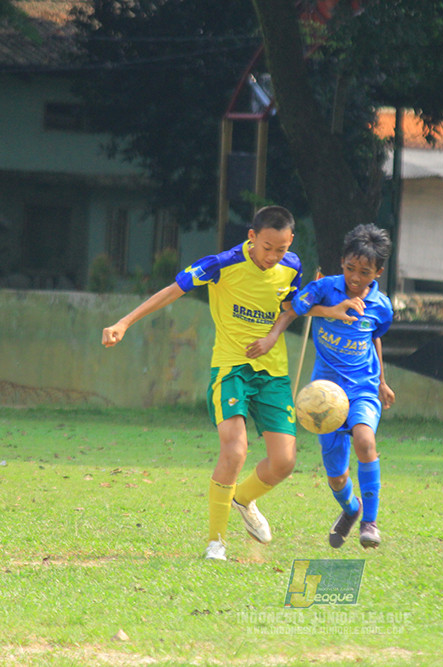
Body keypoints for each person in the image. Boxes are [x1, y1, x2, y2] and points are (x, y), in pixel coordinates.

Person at [101, 206, 302, 561]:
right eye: (267, 247)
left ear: (290, 243)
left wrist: (273, 336)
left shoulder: (293, 267)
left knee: (284, 462)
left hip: (273, 372)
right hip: (231, 369)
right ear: (252, 237)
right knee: (235, 449)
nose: (273, 256)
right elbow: (172, 291)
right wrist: (125, 322)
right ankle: (216, 543)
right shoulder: (220, 264)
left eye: (281, 249)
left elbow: (291, 305)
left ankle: (242, 498)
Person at [290, 223, 395, 549]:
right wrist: (330, 310)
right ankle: (351, 509)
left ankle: (371, 523)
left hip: (362, 388)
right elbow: (295, 306)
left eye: (364, 272)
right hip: (324, 395)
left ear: (377, 272)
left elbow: (374, 338)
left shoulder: (382, 306)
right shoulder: (325, 288)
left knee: (365, 440)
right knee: (336, 475)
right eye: (350, 268)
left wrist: (381, 381)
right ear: (341, 263)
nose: (355, 277)